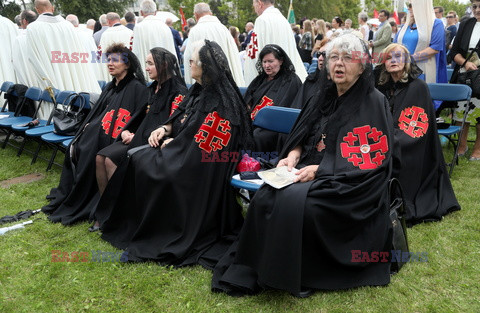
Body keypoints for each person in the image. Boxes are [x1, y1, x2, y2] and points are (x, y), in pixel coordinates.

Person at [212, 33, 394, 297]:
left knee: (305, 208)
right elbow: (303, 134)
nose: (338, 64)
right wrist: (294, 155)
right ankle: (257, 267)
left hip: (350, 182)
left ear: (362, 65)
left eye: (347, 58)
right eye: (333, 57)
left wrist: (320, 170)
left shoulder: (374, 101)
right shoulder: (322, 95)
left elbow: (373, 158)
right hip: (304, 171)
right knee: (265, 197)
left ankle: (300, 272)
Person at [94, 40, 252, 268]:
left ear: (204, 65)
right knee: (136, 158)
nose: (188, 66)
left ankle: (156, 228)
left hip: (195, 166)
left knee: (145, 163)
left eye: (191, 62)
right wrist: (164, 128)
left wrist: (175, 144)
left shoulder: (223, 104)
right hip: (181, 151)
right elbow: (180, 118)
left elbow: (204, 147)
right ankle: (138, 224)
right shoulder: (198, 90)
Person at [42, 44, 148, 225]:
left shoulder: (137, 88)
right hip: (101, 133)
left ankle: (102, 204)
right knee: (79, 145)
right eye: (109, 60)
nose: (110, 64)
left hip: (118, 137)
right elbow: (100, 112)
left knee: (91, 148)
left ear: (127, 64)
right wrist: (92, 125)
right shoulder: (110, 87)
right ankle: (80, 194)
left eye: (115, 60)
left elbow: (136, 118)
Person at [375, 43, 460, 224]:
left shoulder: (418, 87)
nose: (393, 61)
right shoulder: (382, 86)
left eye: (398, 56)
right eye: (389, 58)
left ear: (407, 61)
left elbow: (414, 128)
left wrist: (388, 140)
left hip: (411, 144)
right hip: (387, 137)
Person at [26, 0, 101, 119]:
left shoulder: (32, 29)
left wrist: (47, 81)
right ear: (53, 8)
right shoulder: (68, 26)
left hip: (53, 73)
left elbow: (33, 59)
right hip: (74, 70)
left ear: (37, 10)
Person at [246, 44, 301, 154]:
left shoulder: (290, 80)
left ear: (280, 61)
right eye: (264, 62)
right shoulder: (260, 79)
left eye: (271, 61)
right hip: (252, 121)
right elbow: (247, 99)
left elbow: (286, 106)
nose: (267, 65)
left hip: (275, 126)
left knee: (257, 136)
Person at [244, 0, 307, 85]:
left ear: (259, 3)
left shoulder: (262, 20)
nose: (254, 9)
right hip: (289, 79)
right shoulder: (283, 20)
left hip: (272, 82)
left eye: (254, 5)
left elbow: (256, 54)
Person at [183, 3, 245, 87]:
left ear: (196, 15)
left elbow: (188, 57)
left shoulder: (195, 31)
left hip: (206, 82)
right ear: (210, 13)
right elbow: (233, 54)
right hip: (226, 80)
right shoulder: (223, 28)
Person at [450, 0, 480, 160]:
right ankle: (462, 145)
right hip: (464, 75)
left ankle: (478, 148)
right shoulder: (466, 24)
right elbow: (453, 51)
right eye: (474, 6)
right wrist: (466, 63)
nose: (477, 10)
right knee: (461, 112)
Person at [394, 0, 447, 84]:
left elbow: (435, 48)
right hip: (402, 70)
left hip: (422, 71)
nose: (409, 8)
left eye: (412, 5)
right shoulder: (405, 26)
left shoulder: (436, 23)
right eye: (409, 5)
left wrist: (409, 59)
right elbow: (394, 45)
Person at [132, 0, 176, 81]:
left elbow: (135, 53)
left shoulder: (139, 28)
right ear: (155, 12)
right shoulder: (165, 27)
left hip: (147, 74)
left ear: (141, 12)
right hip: (166, 74)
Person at [98, 12, 134, 82]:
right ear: (119, 20)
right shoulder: (129, 32)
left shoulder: (105, 34)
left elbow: (100, 54)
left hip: (111, 69)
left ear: (108, 21)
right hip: (127, 68)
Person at [12, 10, 37, 87]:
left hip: (28, 81)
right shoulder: (40, 34)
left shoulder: (20, 38)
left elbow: (16, 61)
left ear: (24, 21)